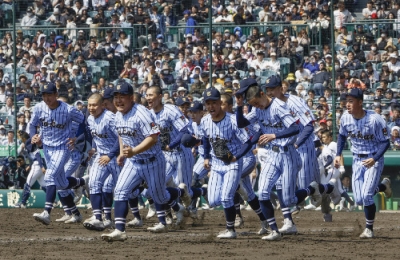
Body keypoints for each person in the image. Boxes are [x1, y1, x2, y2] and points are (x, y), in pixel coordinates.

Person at [235, 77, 323, 241]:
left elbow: (296, 128)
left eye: (257, 103)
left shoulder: (279, 106)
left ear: (262, 94)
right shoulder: (258, 109)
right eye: (253, 105)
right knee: (263, 193)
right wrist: (240, 106)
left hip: (288, 153)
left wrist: (273, 135)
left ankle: (311, 189)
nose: (256, 107)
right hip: (272, 155)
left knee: (289, 200)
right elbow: (241, 124)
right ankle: (274, 230)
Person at [100, 82, 191, 241]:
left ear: (131, 98)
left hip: (152, 161)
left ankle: (180, 192)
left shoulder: (141, 113)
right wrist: (122, 152)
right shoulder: (118, 115)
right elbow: (122, 134)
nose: (119, 101)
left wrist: (134, 150)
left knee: (160, 197)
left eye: (122, 97)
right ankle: (120, 230)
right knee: (120, 191)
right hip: (134, 162)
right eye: (116, 97)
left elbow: (154, 137)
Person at [334, 88, 392, 238]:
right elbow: (341, 136)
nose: (347, 104)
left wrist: (375, 158)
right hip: (356, 159)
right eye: (347, 101)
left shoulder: (375, 119)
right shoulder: (345, 117)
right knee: (359, 199)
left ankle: (369, 229)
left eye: (351, 101)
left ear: (360, 102)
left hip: (373, 159)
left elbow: (386, 142)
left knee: (366, 196)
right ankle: (383, 186)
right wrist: (338, 154)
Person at [29, 82, 87, 225]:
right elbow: (32, 124)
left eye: (49, 94)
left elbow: (83, 121)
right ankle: (83, 184)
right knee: (61, 184)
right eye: (44, 95)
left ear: (56, 95)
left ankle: (46, 212)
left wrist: (77, 138)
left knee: (50, 176)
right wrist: (33, 135)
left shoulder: (68, 109)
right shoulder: (38, 108)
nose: (47, 98)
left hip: (63, 147)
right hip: (47, 148)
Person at [199, 87, 253, 239]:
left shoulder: (233, 120)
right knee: (214, 201)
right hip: (216, 164)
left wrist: (237, 156)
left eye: (214, 103)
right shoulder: (204, 120)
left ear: (220, 103)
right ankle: (236, 186)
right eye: (208, 103)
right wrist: (205, 157)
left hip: (232, 164)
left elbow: (248, 142)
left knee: (226, 198)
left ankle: (230, 230)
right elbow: (205, 139)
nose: (211, 106)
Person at [83, 93, 121, 231]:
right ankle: (98, 218)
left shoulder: (110, 118)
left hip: (117, 157)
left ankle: (170, 207)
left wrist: (111, 155)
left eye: (94, 105)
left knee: (125, 191)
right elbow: (95, 136)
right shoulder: (90, 118)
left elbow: (121, 137)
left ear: (102, 105)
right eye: (89, 105)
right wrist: (94, 148)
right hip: (101, 156)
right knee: (93, 183)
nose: (91, 108)